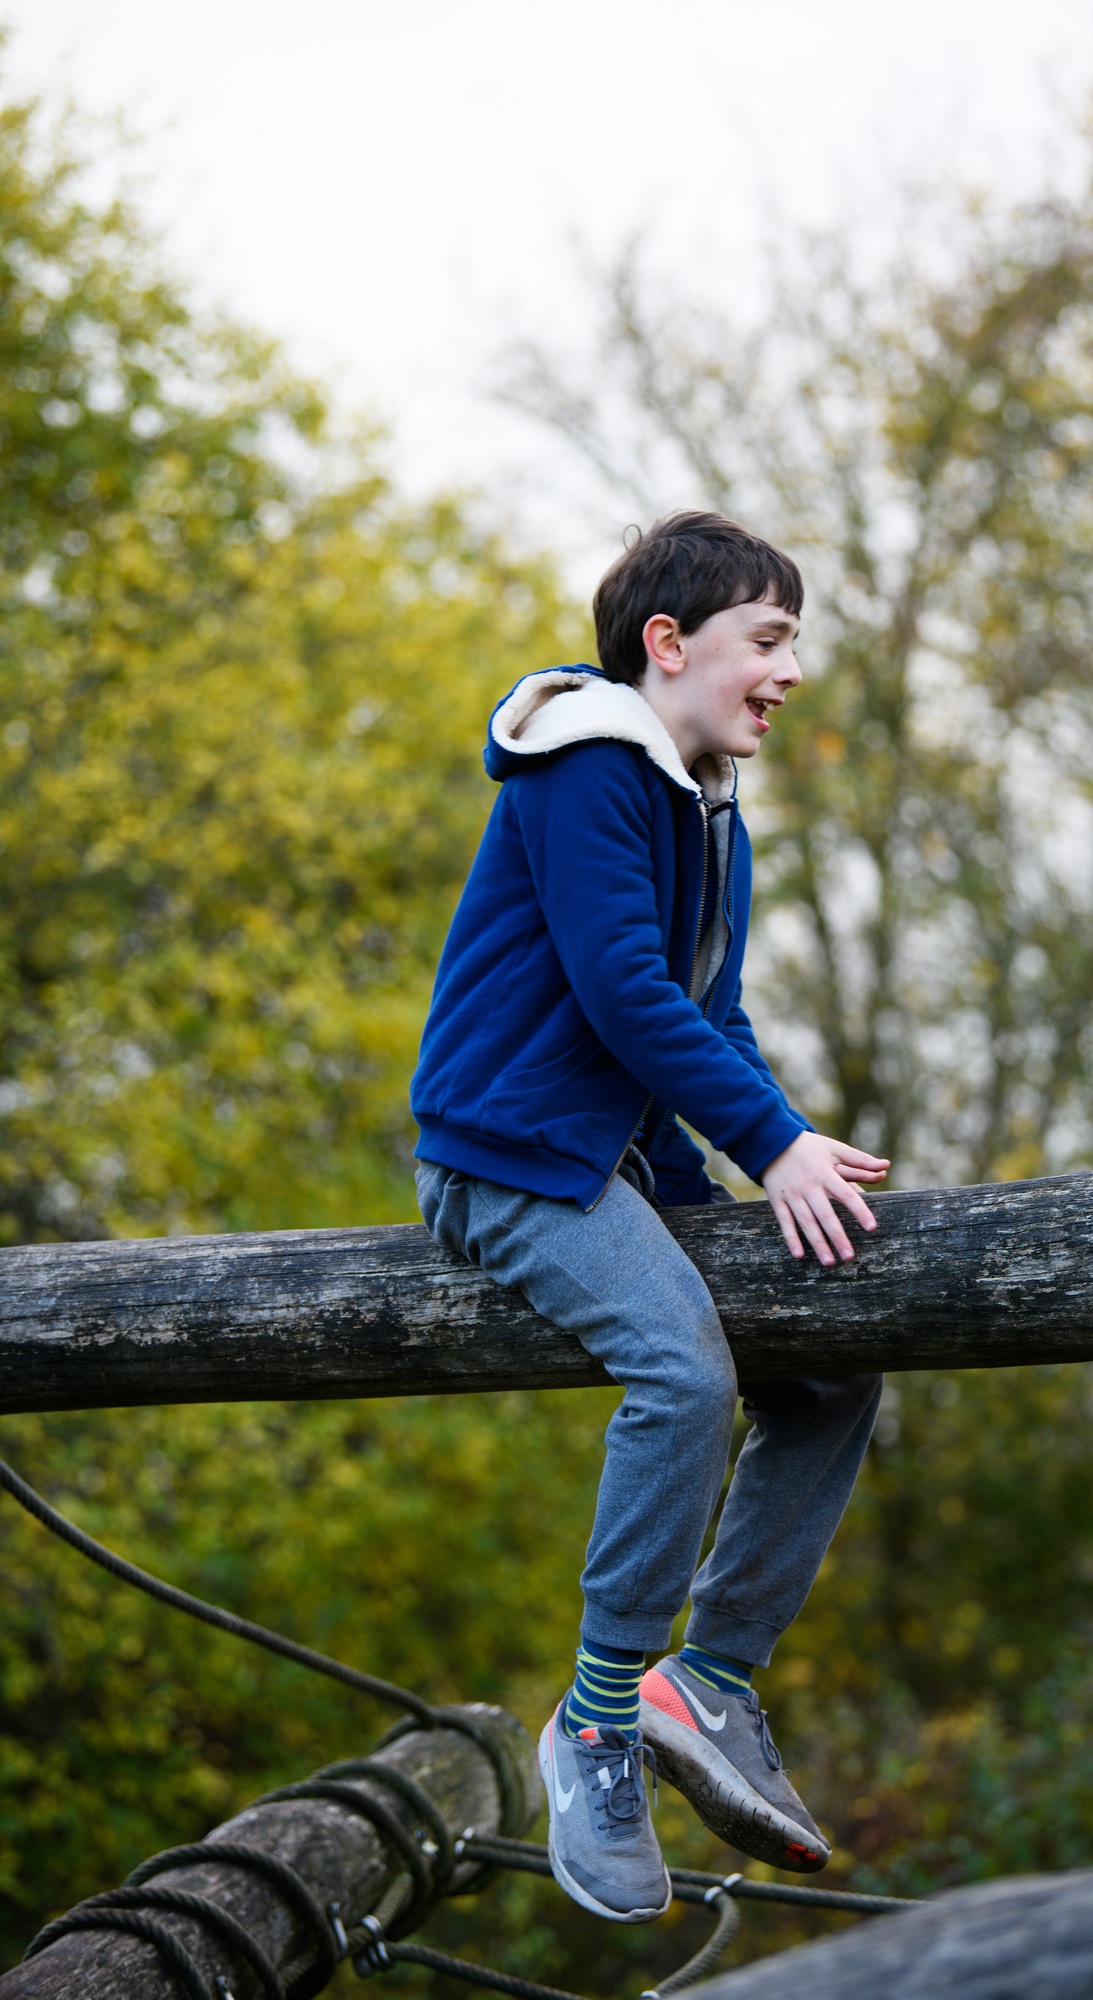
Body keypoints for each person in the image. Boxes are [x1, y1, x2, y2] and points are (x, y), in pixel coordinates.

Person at [411, 511, 888, 1925]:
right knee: (682, 1376)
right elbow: (624, 990)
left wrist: (765, 1159)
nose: (789, 670)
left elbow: (710, 1014)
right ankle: (601, 1715)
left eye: (794, 642)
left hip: (618, 1162)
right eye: (768, 638)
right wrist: (773, 1145)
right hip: (508, 1159)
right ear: (668, 643)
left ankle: (712, 1678)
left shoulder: (710, 805)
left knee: (836, 1370)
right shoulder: (587, 767)